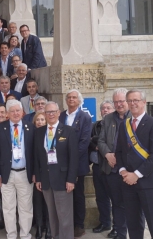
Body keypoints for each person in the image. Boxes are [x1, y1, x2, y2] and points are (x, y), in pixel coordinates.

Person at [115, 89, 153, 239]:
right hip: (128, 183)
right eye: (129, 100)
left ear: (144, 102)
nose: (133, 103)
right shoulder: (124, 124)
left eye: (136, 100)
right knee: (133, 224)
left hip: (149, 182)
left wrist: (135, 175)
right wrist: (123, 171)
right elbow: (118, 152)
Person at [34, 101, 78, 239]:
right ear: (44, 114)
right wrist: (38, 178)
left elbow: (74, 158)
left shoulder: (68, 131)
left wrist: (71, 179)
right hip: (46, 180)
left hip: (63, 179)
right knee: (52, 215)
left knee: (64, 216)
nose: (51, 114)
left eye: (53, 111)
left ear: (59, 113)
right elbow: (37, 157)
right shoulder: (39, 132)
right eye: (48, 112)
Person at [0, 99, 35, 239]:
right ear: (7, 114)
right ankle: (11, 235)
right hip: (7, 174)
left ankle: (25, 235)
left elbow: (34, 153)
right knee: (8, 207)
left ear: (22, 112)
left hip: (25, 173)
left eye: (18, 110)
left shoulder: (30, 127)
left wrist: (35, 173)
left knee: (25, 207)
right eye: (12, 111)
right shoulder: (0, 128)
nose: (16, 113)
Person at [97, 89, 131, 239]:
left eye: (121, 101)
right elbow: (101, 140)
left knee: (133, 205)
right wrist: (107, 154)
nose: (119, 104)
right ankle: (120, 232)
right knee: (117, 204)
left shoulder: (135, 118)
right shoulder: (109, 119)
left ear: (127, 102)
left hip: (131, 171)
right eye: (116, 102)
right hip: (112, 169)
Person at [59, 89, 92, 237]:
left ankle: (79, 225)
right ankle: (66, 224)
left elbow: (84, 142)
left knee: (78, 195)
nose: (71, 99)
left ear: (79, 101)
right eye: (69, 97)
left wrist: (70, 159)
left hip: (78, 163)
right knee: (64, 195)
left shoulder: (85, 117)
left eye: (74, 97)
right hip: (61, 164)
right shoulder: (60, 116)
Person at [89, 99, 118, 237]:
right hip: (97, 166)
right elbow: (90, 141)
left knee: (116, 198)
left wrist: (99, 145)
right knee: (101, 197)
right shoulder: (95, 125)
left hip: (112, 167)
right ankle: (105, 222)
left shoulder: (117, 124)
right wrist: (96, 144)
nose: (105, 110)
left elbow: (112, 145)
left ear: (113, 110)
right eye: (103, 108)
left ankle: (117, 226)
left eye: (108, 108)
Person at [31, 111, 51, 239]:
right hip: (37, 173)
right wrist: (34, 174)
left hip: (50, 173)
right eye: (38, 120)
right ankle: (39, 228)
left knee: (49, 202)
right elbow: (32, 157)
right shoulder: (31, 134)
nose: (40, 122)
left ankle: (49, 228)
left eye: (43, 119)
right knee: (38, 202)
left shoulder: (51, 134)